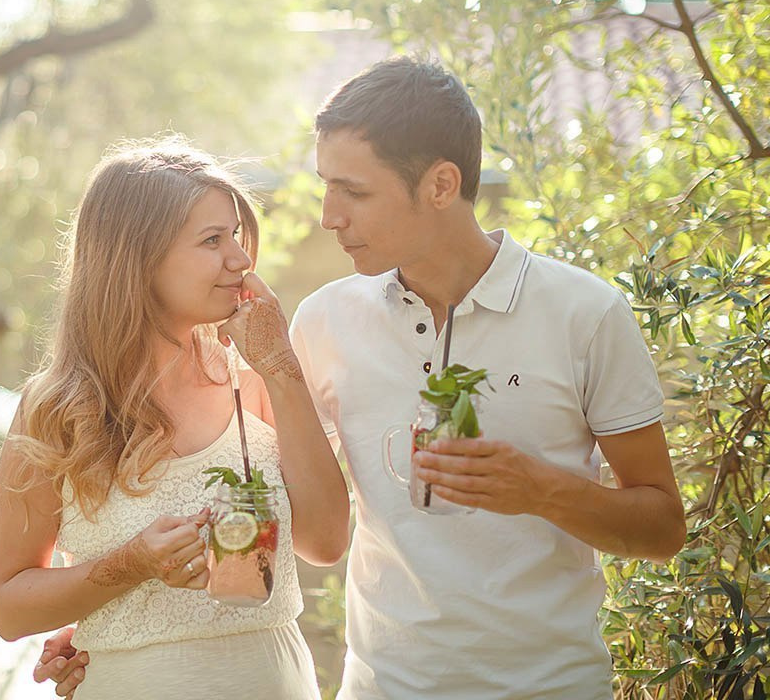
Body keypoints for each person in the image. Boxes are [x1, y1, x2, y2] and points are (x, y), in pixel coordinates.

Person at [35, 58, 686, 699]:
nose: (329, 216)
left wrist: (541, 490)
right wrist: (102, 626)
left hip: (552, 689)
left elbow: (661, 529)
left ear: (439, 185)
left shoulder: (586, 314)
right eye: (326, 185)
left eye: (354, 191)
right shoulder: (324, 322)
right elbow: (310, 530)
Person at [0, 141, 349, 700]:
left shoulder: (254, 378)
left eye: (235, 234)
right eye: (212, 240)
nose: (240, 259)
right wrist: (130, 565)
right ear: (136, 259)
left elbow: (326, 541)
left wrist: (281, 369)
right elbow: (8, 609)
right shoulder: (55, 410)